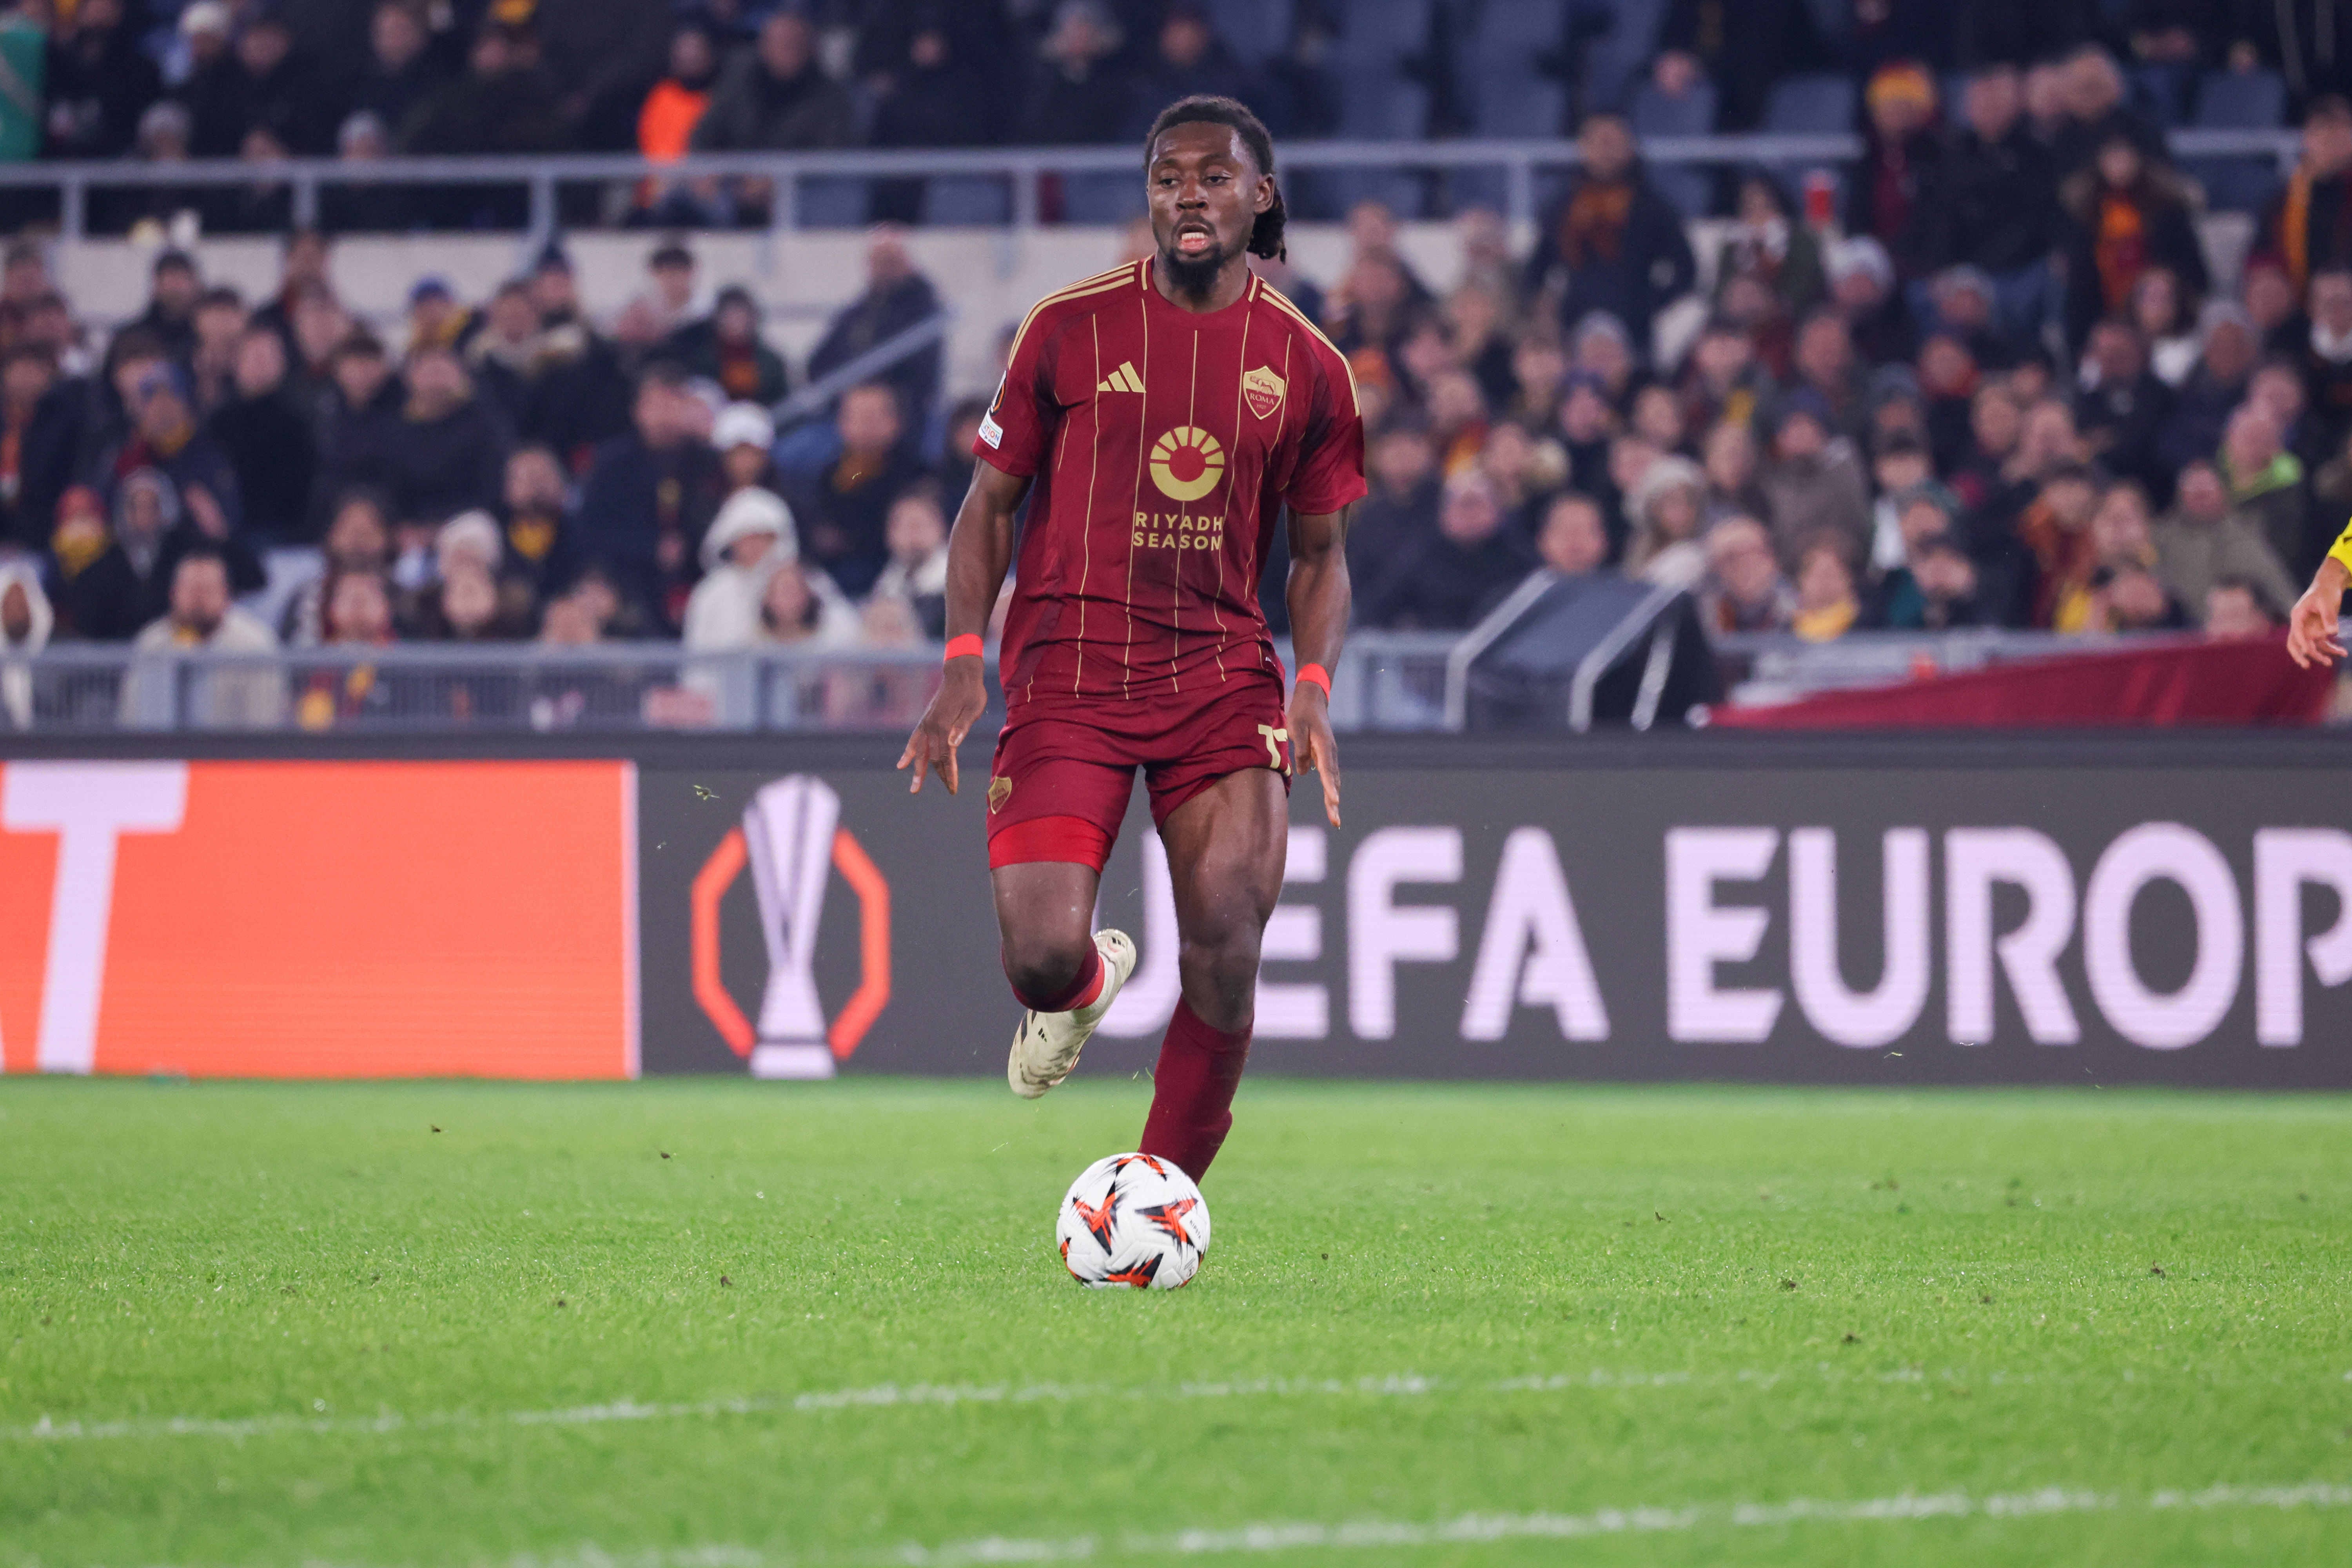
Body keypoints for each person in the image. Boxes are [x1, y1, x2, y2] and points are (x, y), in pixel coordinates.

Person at [898, 96, 1362, 1187]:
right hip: (1069, 672)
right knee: (1040, 955)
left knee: (1228, 946)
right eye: (1167, 179)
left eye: (1213, 177)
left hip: (1220, 679)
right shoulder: (1067, 328)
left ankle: (1160, 1196)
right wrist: (962, 663)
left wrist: (1312, 684)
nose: (1188, 196)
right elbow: (989, 506)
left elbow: (1321, 556)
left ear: (1260, 196)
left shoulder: (1309, 366)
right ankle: (1075, 994)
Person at [1525, 113, 1695, 354]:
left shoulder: (1653, 208)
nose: (1605, 151)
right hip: (1575, 322)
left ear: (1630, 148)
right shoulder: (1563, 206)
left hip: (1633, 326)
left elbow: (1686, 269)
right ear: (1583, 148)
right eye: (1598, 142)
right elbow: (1537, 268)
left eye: (1613, 142)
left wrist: (1651, 304)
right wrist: (1546, 309)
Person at [123, 545, 283, 729]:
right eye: (191, 590)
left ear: (227, 595)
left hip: (235, 745)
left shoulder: (255, 645)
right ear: (173, 594)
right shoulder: (152, 643)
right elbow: (131, 718)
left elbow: (264, 724)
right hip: (163, 745)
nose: (198, 600)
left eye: (207, 590)